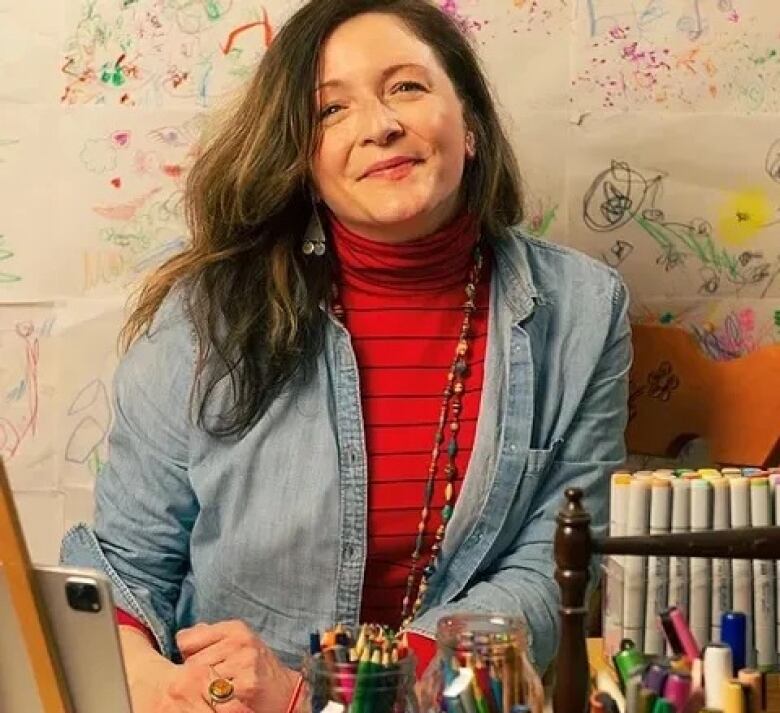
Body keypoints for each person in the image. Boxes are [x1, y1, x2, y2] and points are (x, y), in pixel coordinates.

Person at [61, 0, 631, 710]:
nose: (380, 124)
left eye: (408, 87)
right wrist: (167, 684)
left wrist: (360, 691)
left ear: (473, 126)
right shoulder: (204, 314)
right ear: (303, 160)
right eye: (331, 111)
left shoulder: (583, 308)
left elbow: (555, 567)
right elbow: (124, 571)